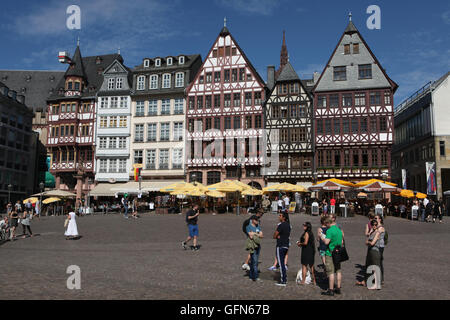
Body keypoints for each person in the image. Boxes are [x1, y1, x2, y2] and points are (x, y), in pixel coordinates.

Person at [319, 216, 344, 296]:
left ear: (328, 223)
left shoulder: (330, 231)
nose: (326, 226)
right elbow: (342, 242)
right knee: (338, 270)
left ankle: (331, 290)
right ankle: (338, 288)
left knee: (331, 272)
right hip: (338, 253)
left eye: (326, 224)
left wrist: (321, 236)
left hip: (330, 253)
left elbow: (326, 242)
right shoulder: (338, 230)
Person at [356, 219, 383, 289]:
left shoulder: (377, 232)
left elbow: (372, 243)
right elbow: (366, 242)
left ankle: (377, 284)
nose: (374, 226)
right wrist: (369, 240)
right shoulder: (372, 232)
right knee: (371, 267)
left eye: (376, 225)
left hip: (375, 251)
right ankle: (370, 282)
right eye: (373, 225)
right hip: (370, 251)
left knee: (376, 268)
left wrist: (369, 242)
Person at [273, 211, 291, 286]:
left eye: (280, 215)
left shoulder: (281, 225)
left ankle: (283, 280)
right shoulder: (288, 225)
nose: (279, 217)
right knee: (282, 263)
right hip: (286, 245)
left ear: (283, 217)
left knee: (281, 264)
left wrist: (277, 236)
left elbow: (274, 235)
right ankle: (284, 278)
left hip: (280, 245)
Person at [246, 215, 263, 281]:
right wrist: (257, 234)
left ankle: (251, 275)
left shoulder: (258, 226)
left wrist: (254, 233)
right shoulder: (248, 227)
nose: (257, 221)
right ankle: (255, 276)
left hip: (258, 245)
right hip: (252, 246)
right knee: (254, 261)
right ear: (253, 220)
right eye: (256, 220)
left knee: (254, 261)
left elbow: (262, 235)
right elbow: (250, 236)